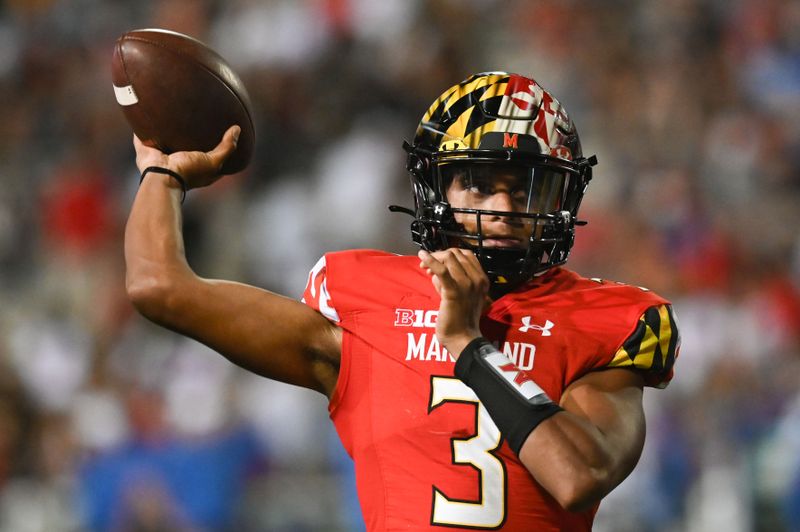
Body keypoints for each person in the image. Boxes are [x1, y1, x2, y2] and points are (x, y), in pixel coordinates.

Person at [125, 71, 680, 531]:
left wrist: (468, 344)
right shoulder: (365, 302)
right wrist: (162, 176)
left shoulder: (609, 319)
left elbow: (579, 474)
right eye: (480, 185)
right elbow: (160, 287)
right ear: (435, 191)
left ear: (562, 197)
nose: (505, 208)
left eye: (525, 186)